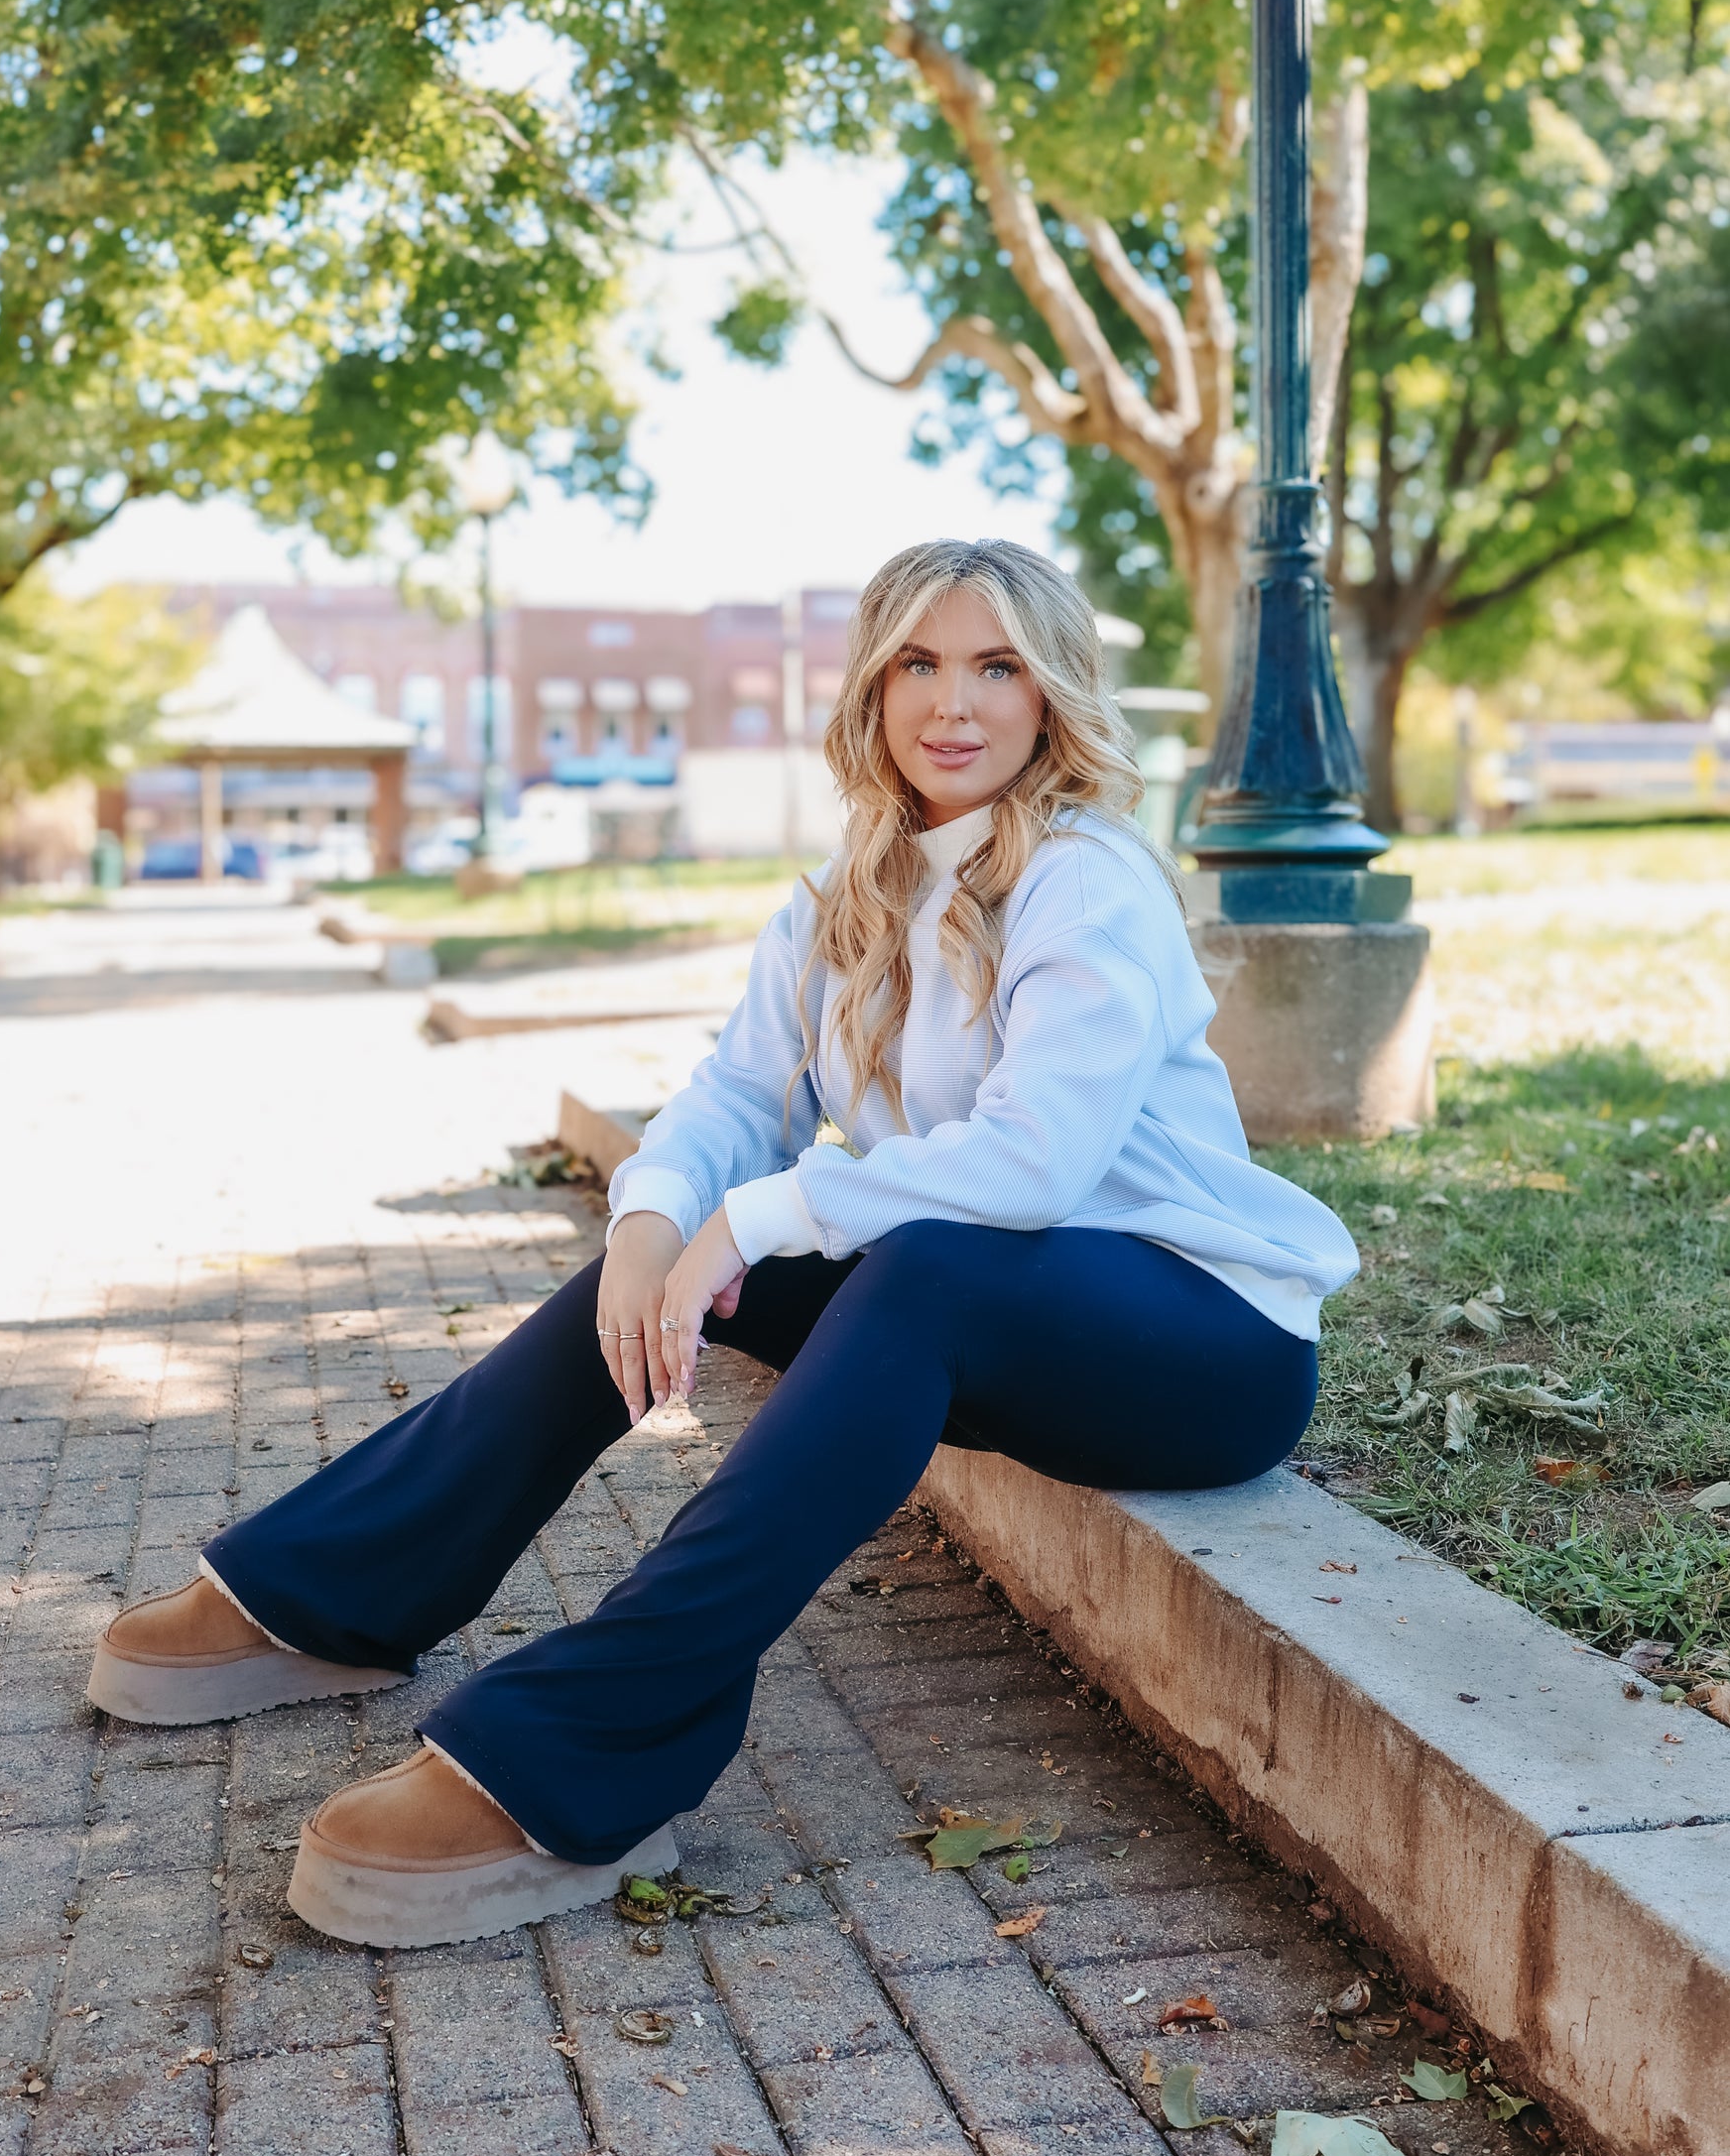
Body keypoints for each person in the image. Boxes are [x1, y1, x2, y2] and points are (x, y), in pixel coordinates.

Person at [85, 537, 1356, 1950]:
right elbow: (737, 1099)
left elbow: (1032, 1163)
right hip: (997, 1308)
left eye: (996, 666)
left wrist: (748, 1219)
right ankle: (325, 1599)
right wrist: (651, 1227)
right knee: (669, 1263)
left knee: (910, 1261)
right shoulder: (843, 898)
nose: (955, 703)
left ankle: (582, 1752)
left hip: (1202, 1350)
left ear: (1050, 694)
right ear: (872, 693)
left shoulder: (1085, 878)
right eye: (918, 665)